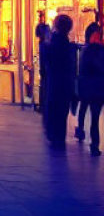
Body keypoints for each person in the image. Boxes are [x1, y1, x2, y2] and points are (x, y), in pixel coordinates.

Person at [43, 13, 76, 149]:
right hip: (64, 82)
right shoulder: (67, 44)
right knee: (62, 111)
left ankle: (54, 135)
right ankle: (59, 137)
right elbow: (70, 65)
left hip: (54, 81)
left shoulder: (52, 42)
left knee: (54, 108)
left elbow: (47, 62)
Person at [75, 23, 104, 156]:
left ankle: (94, 144)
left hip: (95, 88)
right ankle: (84, 134)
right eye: (96, 35)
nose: (98, 37)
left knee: (94, 117)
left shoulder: (87, 50)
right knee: (86, 111)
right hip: (91, 87)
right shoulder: (89, 50)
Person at [35, 10, 50, 112]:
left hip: (44, 53)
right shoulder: (43, 28)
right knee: (44, 82)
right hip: (43, 52)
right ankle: (43, 104)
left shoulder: (45, 28)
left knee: (44, 82)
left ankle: (43, 104)